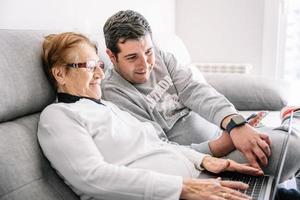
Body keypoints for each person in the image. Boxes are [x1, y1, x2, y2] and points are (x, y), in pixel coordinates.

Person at [37, 32, 264, 200]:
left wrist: (202, 160)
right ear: (60, 73)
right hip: (172, 193)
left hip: (195, 181)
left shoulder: (106, 107)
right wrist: (181, 188)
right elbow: (92, 177)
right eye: (89, 66)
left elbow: (157, 144)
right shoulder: (58, 116)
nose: (100, 74)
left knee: (263, 187)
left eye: (99, 65)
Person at [101, 10, 300, 181]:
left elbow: (195, 90)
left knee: (291, 135)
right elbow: (158, 151)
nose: (145, 65)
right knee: (290, 148)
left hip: (226, 132)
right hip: (205, 161)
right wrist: (223, 143)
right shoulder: (114, 94)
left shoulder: (161, 57)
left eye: (148, 52)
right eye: (132, 57)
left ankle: (288, 127)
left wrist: (234, 123)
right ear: (112, 56)